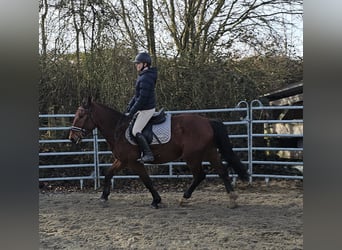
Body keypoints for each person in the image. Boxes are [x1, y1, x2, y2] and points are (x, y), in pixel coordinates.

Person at [126, 52, 157, 163]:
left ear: (145, 64)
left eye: (138, 63)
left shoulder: (146, 78)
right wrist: (129, 106)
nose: (136, 65)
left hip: (147, 109)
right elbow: (137, 95)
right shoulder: (144, 76)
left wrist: (132, 112)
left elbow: (142, 99)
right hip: (143, 108)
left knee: (136, 130)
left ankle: (148, 154)